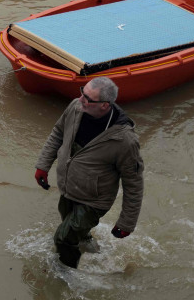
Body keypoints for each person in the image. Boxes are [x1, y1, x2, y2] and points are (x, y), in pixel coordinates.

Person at [33, 76, 144, 268]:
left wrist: (126, 223)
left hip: (94, 200)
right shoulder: (76, 107)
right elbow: (58, 132)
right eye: (82, 92)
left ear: (104, 105)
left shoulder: (125, 141)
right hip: (69, 187)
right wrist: (43, 165)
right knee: (75, 231)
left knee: (63, 238)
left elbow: (133, 183)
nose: (81, 99)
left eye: (88, 98)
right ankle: (95, 250)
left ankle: (67, 274)